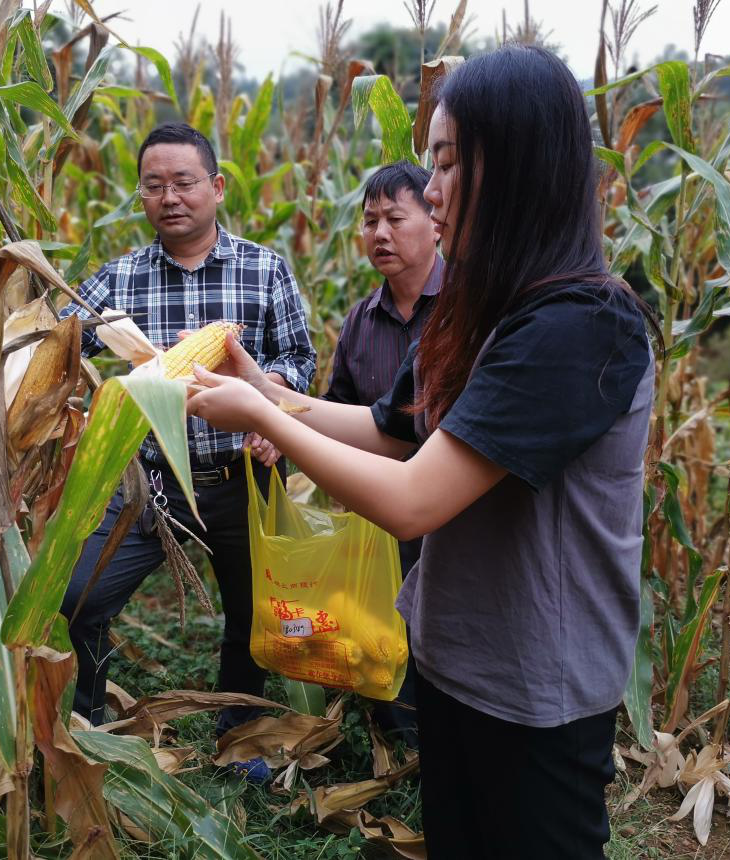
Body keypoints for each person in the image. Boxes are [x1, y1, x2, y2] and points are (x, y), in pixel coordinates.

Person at [187, 45, 658, 857]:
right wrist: (263, 390)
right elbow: (387, 429)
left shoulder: (583, 326)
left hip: (534, 687)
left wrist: (267, 424)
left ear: (515, 164)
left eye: (446, 161)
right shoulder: (478, 310)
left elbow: (415, 497)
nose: (429, 188)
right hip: (450, 659)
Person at [59, 123, 316, 766]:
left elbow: (296, 358)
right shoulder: (118, 280)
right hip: (149, 486)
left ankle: (240, 736)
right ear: (141, 197)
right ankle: (84, 720)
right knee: (75, 600)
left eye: (184, 182)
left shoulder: (264, 269)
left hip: (240, 479)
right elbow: (56, 346)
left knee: (251, 620)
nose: (170, 196)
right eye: (154, 185)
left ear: (217, 187)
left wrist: (269, 403)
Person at [322, 160, 442, 744]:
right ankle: (391, 738)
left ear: (436, 221)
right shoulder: (360, 323)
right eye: (370, 221)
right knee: (380, 633)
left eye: (396, 217)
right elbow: (337, 408)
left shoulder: (468, 311)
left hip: (446, 515)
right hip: (373, 518)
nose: (380, 234)